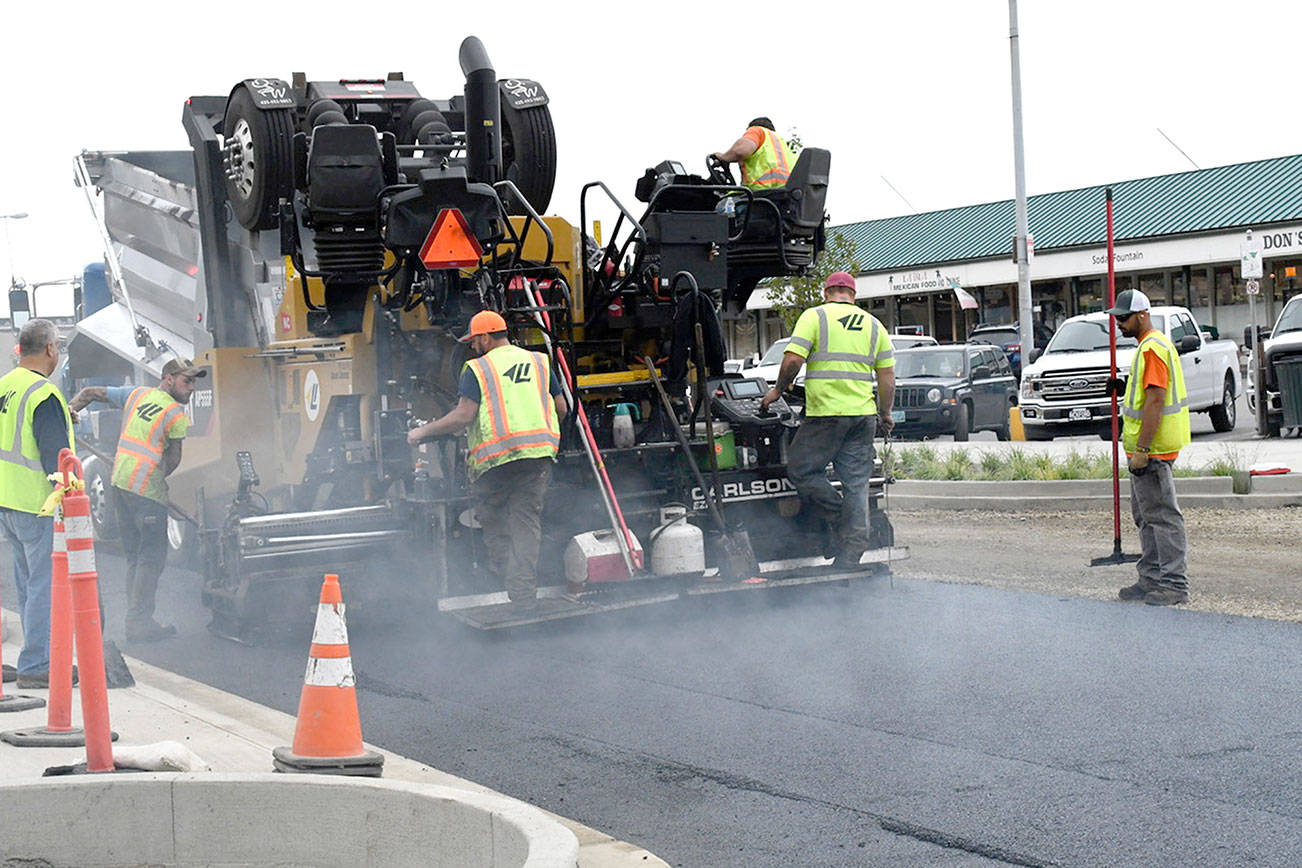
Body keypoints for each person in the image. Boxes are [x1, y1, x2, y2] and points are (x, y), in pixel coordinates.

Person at [407, 311, 567, 606]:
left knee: (494, 524)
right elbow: (561, 407)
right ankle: (523, 595)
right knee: (526, 523)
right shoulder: (539, 361)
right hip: (538, 456)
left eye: (473, 341)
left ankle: (510, 583)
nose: (472, 347)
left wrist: (422, 433)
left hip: (496, 461)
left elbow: (463, 416)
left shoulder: (477, 369)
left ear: (484, 337)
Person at [759, 272, 895, 566]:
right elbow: (887, 377)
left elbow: (793, 359)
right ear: (853, 295)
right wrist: (885, 414)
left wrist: (777, 390)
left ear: (826, 292)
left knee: (802, 470)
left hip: (826, 415)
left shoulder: (815, 317)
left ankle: (840, 521)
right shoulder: (874, 325)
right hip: (863, 417)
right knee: (856, 484)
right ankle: (853, 548)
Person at [69, 358, 204, 641]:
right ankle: (138, 622)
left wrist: (68, 412)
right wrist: (158, 485)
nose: (191, 388)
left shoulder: (137, 394)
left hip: (119, 482)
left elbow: (90, 393)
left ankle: (135, 618)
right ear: (168, 378)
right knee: (151, 557)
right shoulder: (176, 415)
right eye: (186, 381)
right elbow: (173, 460)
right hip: (145, 491)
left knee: (135, 556)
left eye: (193, 382)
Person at [0, 319, 75, 687]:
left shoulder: (7, 386)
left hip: (6, 503)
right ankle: (36, 665)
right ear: (49, 349)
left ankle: (32, 657)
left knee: (28, 584)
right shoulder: (43, 393)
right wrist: (71, 500)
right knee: (45, 585)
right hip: (37, 505)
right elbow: (55, 457)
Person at [1108, 289, 1191, 606]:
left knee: (1162, 518)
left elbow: (1157, 399)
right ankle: (1152, 579)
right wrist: (1124, 387)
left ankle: (1173, 583)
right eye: (1116, 318)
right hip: (1145, 452)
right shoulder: (1148, 347)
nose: (1119, 324)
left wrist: (1142, 448)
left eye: (1124, 318)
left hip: (1152, 451)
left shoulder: (1152, 349)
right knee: (1146, 517)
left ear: (1142, 315)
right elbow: (1146, 394)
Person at [713, 117, 798, 191]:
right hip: (784, 195)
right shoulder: (783, 144)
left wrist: (723, 157)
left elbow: (740, 151)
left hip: (759, 194)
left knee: (721, 206)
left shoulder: (757, 130)